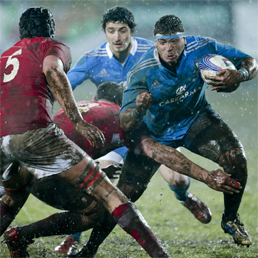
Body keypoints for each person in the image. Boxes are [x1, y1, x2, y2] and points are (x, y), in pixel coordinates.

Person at [0, 7, 173, 258]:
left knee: (12, 199)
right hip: (34, 135)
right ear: (50, 30)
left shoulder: (4, 56)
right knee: (108, 196)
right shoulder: (51, 47)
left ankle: (17, 239)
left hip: (2, 139)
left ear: (22, 30)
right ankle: (160, 256)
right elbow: (52, 70)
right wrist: (77, 120)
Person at [2, 82, 241, 258]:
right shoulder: (121, 116)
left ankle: (17, 238)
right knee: (97, 210)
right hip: (51, 167)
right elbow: (160, 152)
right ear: (122, 102)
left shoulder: (80, 107)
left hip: (21, 156)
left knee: (14, 198)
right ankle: (21, 235)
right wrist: (206, 175)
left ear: (97, 97)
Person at [56, 6, 212, 254]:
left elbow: (180, 71)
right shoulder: (93, 59)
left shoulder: (152, 51)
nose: (117, 37)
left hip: (152, 131)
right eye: (111, 31)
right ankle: (73, 237)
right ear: (104, 32)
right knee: (95, 182)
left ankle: (185, 197)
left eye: (122, 30)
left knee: (178, 178)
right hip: (116, 134)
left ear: (132, 31)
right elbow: (62, 85)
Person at [117, 14, 257, 248]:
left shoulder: (202, 47)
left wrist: (240, 75)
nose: (169, 48)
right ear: (155, 43)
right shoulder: (142, 71)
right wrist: (138, 109)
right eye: (163, 42)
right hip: (155, 133)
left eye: (175, 41)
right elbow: (125, 122)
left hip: (195, 119)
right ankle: (90, 246)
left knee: (236, 158)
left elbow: (250, 62)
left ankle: (231, 219)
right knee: (122, 197)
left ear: (184, 39)